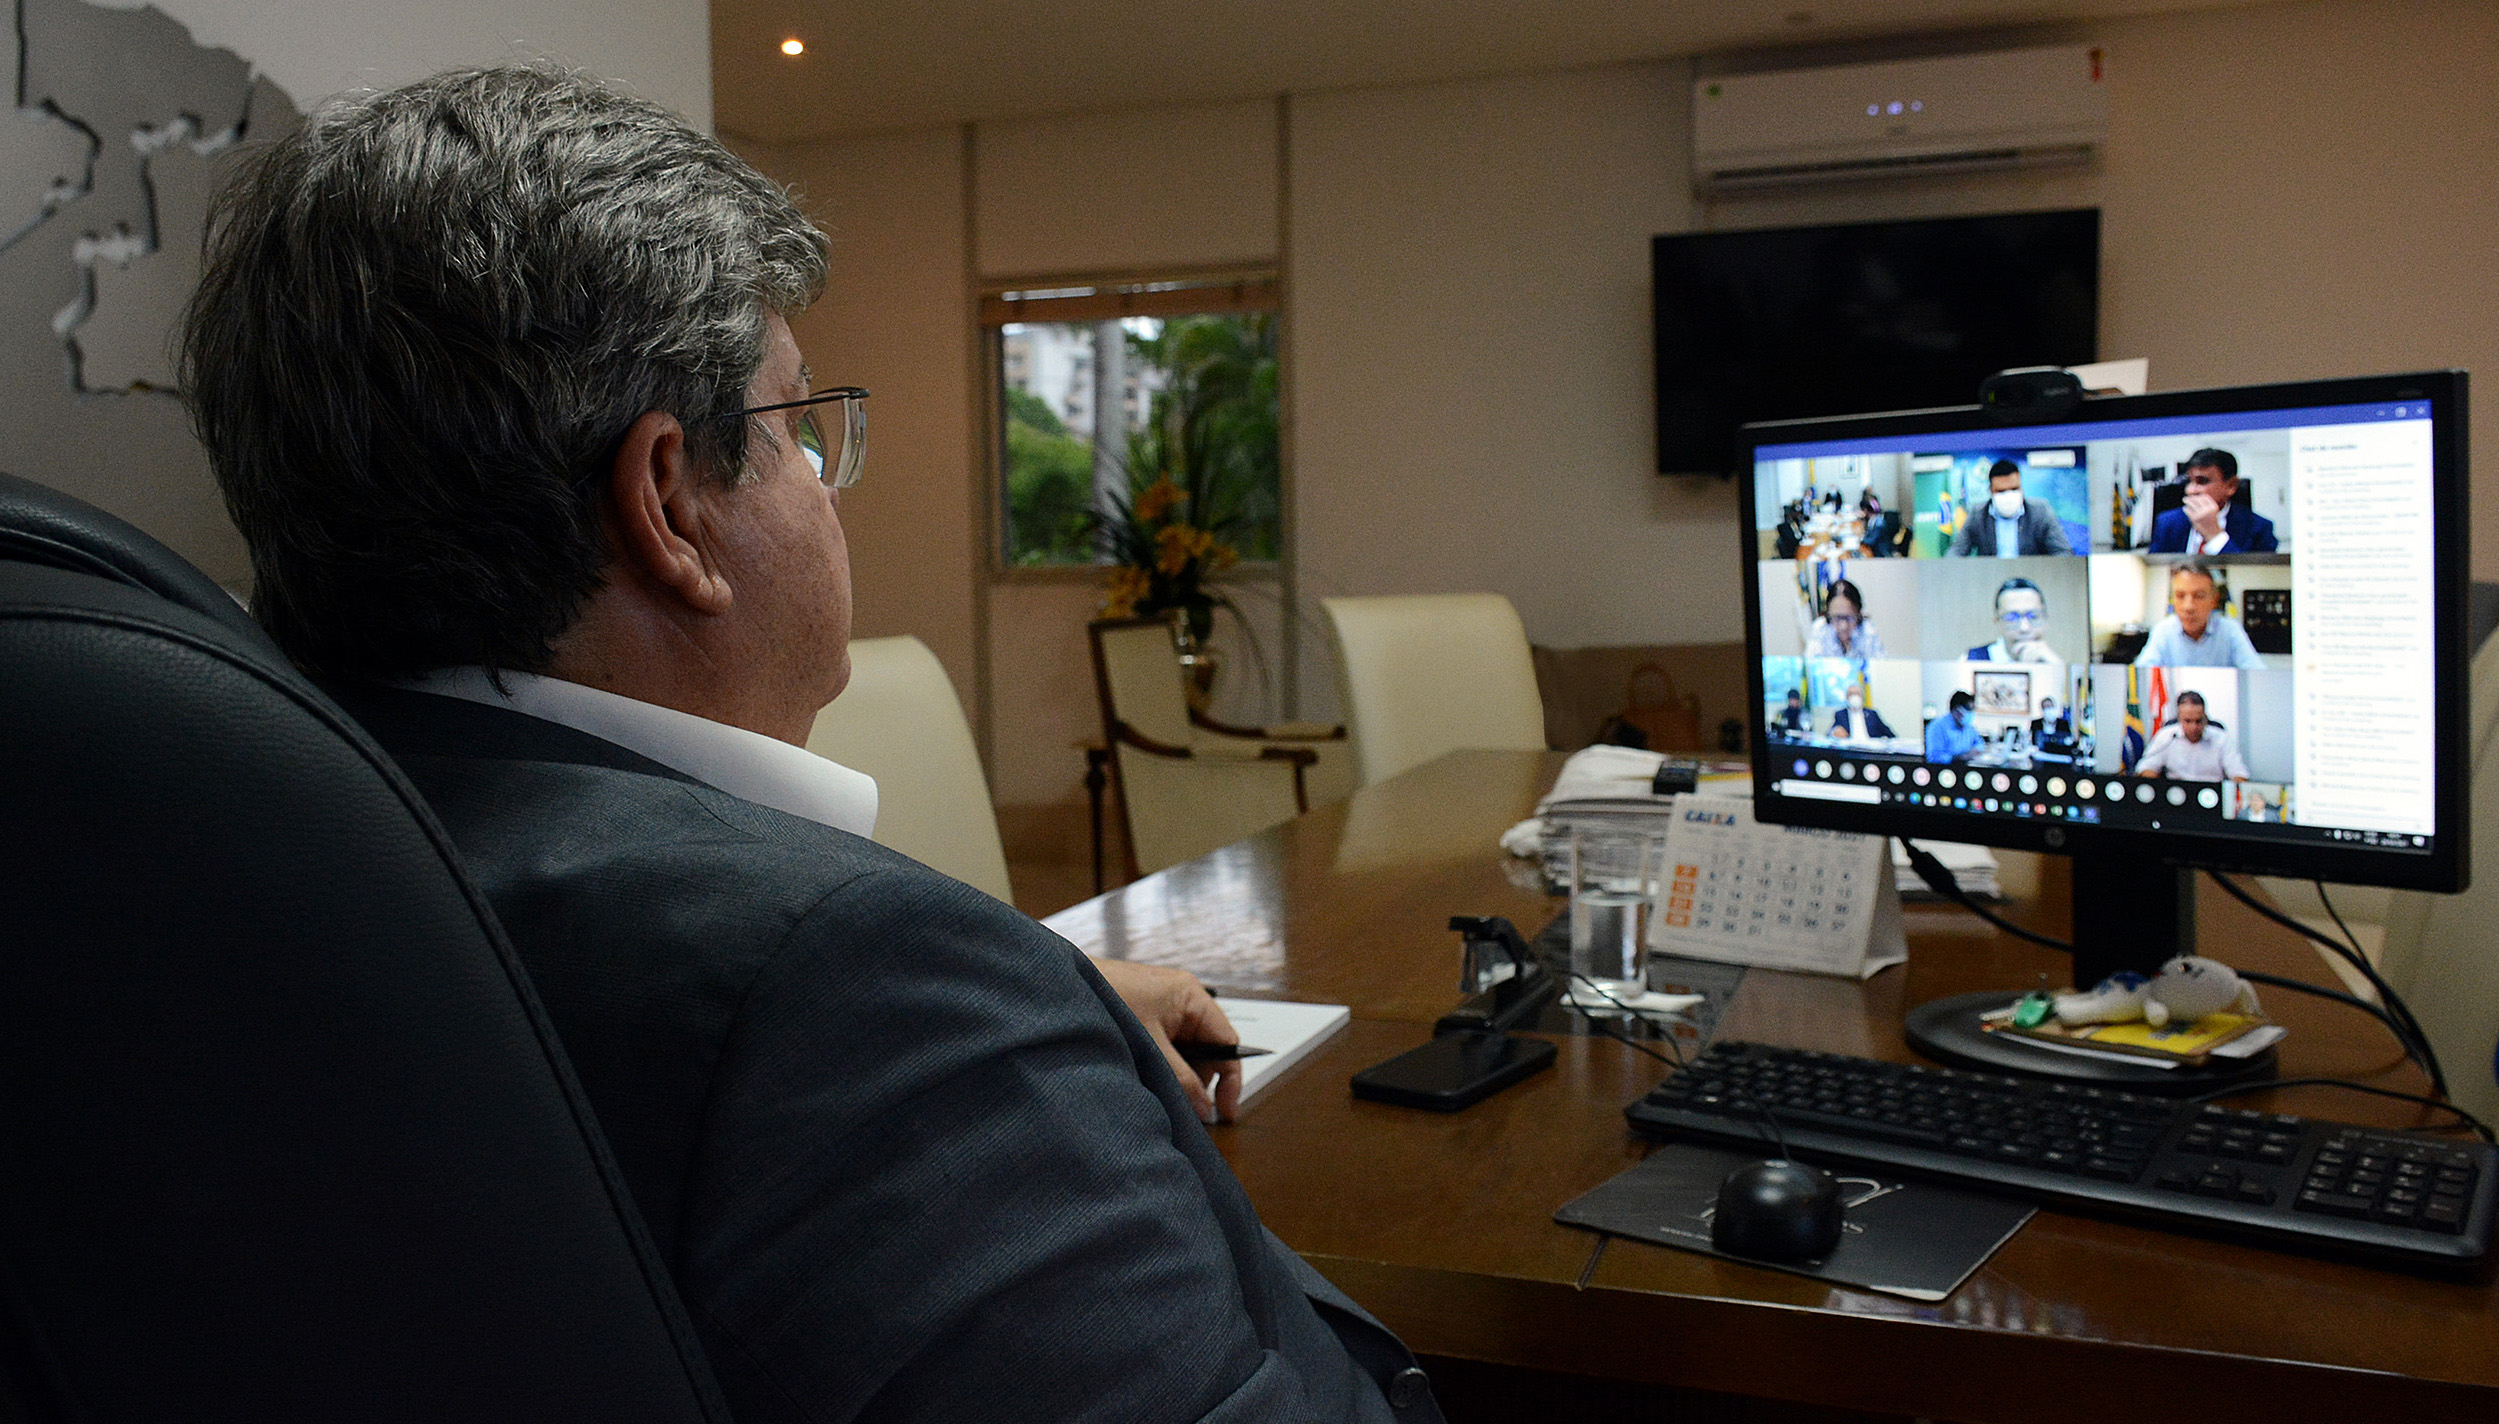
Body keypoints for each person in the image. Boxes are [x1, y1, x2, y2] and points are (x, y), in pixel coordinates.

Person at [180, 67, 1437, 1424]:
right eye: (796, 428)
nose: (830, 494)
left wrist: (1035, 995)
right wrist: (998, 1023)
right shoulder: (867, 997)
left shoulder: (218, 872)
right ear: (669, 502)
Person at [2135, 557, 2267, 669]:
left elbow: (2256, 671)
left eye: (2198, 596)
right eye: (2180, 596)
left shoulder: (2230, 630)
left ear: (2213, 601)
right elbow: (2142, 671)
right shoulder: (2163, 631)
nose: (2188, 607)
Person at [2148, 448, 2278, 554]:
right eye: (2189, 481)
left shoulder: (2259, 528)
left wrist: (2214, 535)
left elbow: (2255, 578)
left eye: (2202, 481)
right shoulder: (2167, 522)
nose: (2190, 490)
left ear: (2231, 486)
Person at [1946, 458, 2074, 556]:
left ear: (2021, 487)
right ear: (1991, 490)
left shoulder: (2040, 511)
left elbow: (2063, 552)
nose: (2008, 495)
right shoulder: (1977, 514)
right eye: (2001, 491)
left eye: (2014, 489)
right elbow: (1956, 552)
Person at [2134, 691, 2250, 781]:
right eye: (2188, 721)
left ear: (2206, 717)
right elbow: (2145, 768)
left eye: (2198, 721)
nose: (2194, 727)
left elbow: (2239, 773)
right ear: (2179, 718)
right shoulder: (2167, 736)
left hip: (2212, 797)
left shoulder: (2221, 738)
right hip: (2176, 796)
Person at [1966, 577, 2064, 665]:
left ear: (2045, 620)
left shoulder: (2053, 663)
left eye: (2033, 617)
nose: (2024, 628)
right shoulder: (1971, 661)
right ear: (1997, 623)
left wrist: (2057, 669)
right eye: (2012, 618)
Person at [1804, 579, 1886, 661]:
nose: (1844, 626)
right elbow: (1810, 667)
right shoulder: (1820, 629)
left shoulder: (1868, 630)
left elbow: (1881, 667)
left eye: (1849, 618)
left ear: (1858, 614)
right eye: (1837, 618)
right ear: (1828, 615)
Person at [1925, 691, 1984, 763]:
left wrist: (1975, 751)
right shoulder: (1937, 726)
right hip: (1946, 770)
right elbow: (1934, 757)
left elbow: (1980, 743)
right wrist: (1958, 758)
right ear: (1957, 710)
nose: (1971, 714)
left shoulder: (1968, 727)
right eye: (1969, 710)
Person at [1829, 689, 1896, 740]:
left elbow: (1889, 734)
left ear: (1862, 697)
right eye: (1851, 694)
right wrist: (1834, 733)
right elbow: (1829, 734)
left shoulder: (1872, 714)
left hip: (1869, 752)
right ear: (1846, 698)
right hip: (1850, 752)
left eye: (1857, 694)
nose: (1854, 697)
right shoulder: (1841, 714)